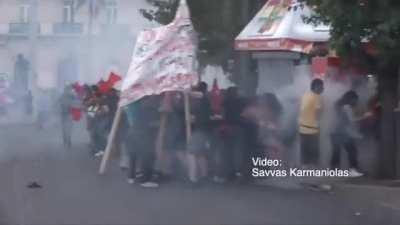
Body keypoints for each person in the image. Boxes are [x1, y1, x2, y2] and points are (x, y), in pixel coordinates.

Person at [330, 91, 371, 177]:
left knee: (337, 152)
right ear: (351, 99)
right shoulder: (346, 107)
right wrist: (365, 117)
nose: (356, 102)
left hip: (335, 132)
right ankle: (353, 170)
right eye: (355, 100)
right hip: (338, 132)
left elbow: (346, 123)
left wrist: (356, 135)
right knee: (351, 150)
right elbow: (352, 121)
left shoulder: (339, 105)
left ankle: (334, 171)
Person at [125, 96, 160, 188]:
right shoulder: (146, 109)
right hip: (142, 134)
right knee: (147, 156)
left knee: (133, 155)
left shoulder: (132, 105)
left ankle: (131, 176)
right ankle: (145, 180)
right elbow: (151, 123)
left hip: (132, 132)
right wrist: (157, 123)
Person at [187, 82, 212, 185]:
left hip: (200, 130)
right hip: (203, 129)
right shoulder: (203, 100)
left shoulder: (204, 97)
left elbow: (194, 94)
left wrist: (186, 91)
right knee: (200, 153)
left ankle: (193, 179)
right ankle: (204, 176)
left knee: (191, 153)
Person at [298, 79, 324, 168]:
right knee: (314, 151)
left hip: (302, 128)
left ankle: (304, 168)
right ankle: (314, 170)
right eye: (321, 86)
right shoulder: (316, 97)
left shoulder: (305, 95)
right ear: (316, 87)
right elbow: (318, 113)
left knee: (304, 150)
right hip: (312, 128)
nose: (322, 89)